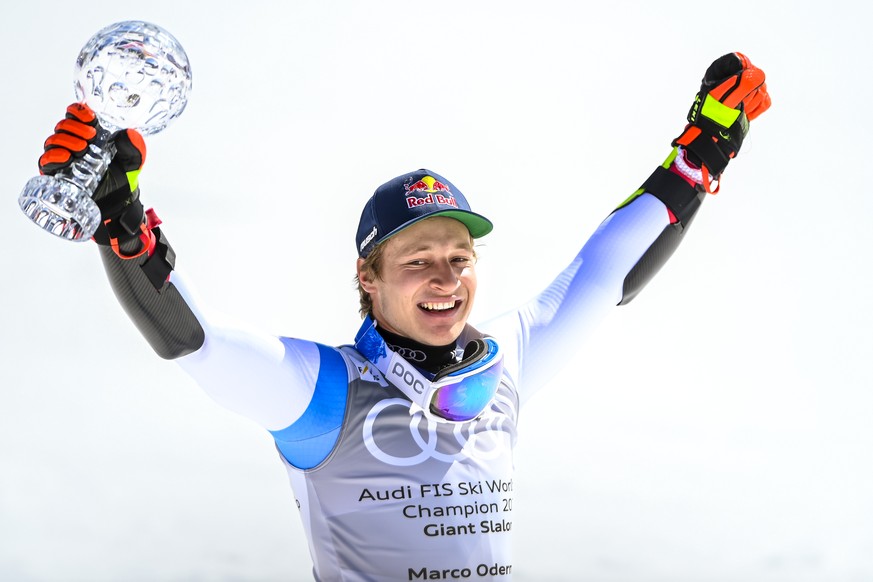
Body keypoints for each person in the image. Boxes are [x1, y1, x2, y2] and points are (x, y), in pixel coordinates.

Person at [32, 52, 770, 581]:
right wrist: (121, 220)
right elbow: (194, 341)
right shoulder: (322, 392)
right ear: (369, 277)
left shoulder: (505, 360)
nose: (445, 277)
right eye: (417, 259)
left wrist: (704, 147)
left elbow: (606, 271)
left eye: (458, 255)